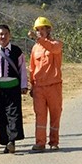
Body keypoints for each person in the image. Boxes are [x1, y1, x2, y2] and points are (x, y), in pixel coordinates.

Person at [0, 24, 28, 154]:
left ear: (10, 35)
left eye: (5, 34)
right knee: (0, 115)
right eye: (0, 34)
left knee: (13, 114)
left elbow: (22, 69)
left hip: (13, 88)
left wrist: (23, 85)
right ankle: (6, 141)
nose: (3, 36)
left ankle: (12, 141)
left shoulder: (16, 51)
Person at [28, 16, 63, 152]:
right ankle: (40, 142)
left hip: (54, 85)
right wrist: (32, 85)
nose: (40, 31)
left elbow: (53, 49)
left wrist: (39, 40)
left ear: (49, 30)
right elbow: (32, 68)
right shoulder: (35, 48)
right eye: (38, 30)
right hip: (39, 88)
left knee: (55, 114)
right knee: (40, 115)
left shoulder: (57, 44)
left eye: (43, 29)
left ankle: (54, 141)